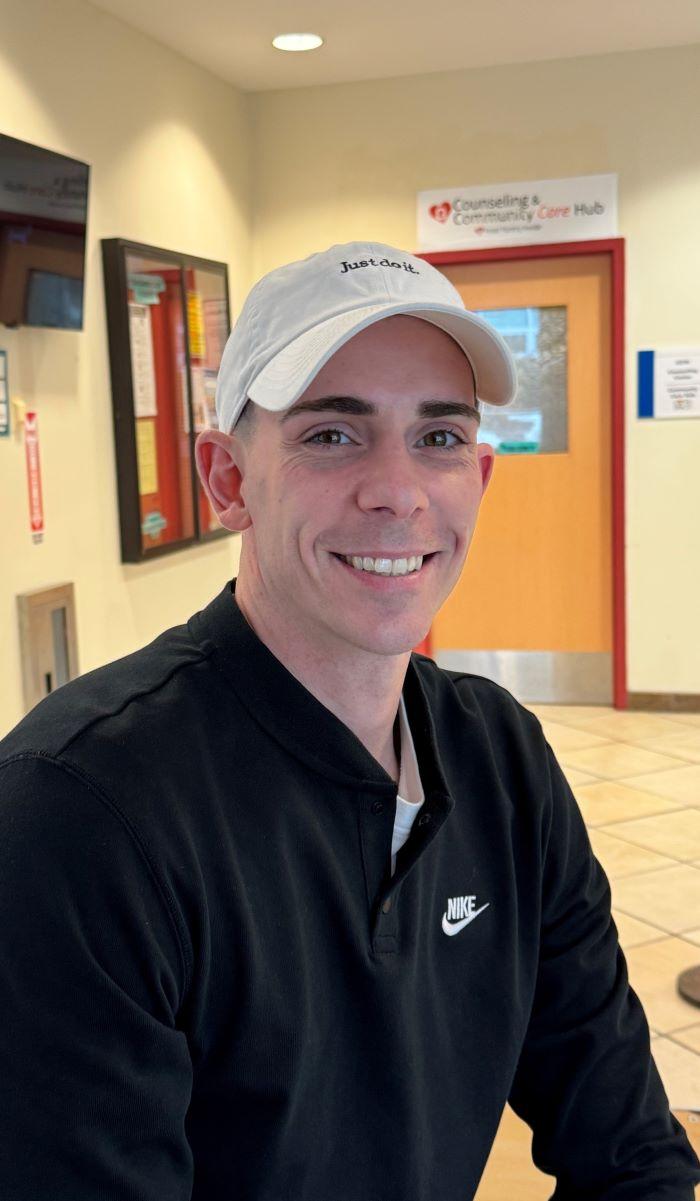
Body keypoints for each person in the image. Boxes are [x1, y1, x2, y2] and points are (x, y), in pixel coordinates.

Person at [0, 242, 698, 1201]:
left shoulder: (499, 756)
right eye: (333, 434)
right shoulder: (79, 813)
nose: (398, 490)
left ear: (481, 478)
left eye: (440, 438)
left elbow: (627, 1146)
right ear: (228, 478)